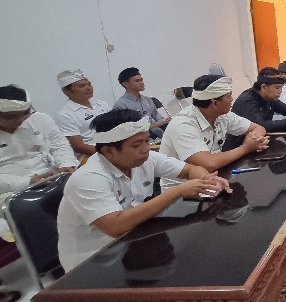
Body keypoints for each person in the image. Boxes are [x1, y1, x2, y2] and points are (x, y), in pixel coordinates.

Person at [57, 109, 232, 271]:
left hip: (134, 238)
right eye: (136, 145)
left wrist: (208, 180)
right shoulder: (88, 178)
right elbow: (115, 226)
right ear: (109, 151)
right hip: (95, 260)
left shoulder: (146, 158)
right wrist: (177, 191)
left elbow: (190, 169)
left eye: (147, 140)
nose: (146, 148)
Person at [159, 75, 268, 188]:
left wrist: (255, 139)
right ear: (215, 103)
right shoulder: (182, 125)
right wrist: (246, 148)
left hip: (214, 179)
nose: (232, 99)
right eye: (229, 96)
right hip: (182, 190)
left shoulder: (222, 115)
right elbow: (209, 164)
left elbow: (258, 128)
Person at [1, 85, 78, 241]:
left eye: (24, 115)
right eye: (11, 117)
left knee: (83, 187)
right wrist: (29, 181)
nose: (19, 122)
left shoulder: (40, 119)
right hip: (9, 190)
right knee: (29, 208)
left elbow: (59, 145)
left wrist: (66, 164)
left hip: (49, 175)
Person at [230, 67, 286, 140]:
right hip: (239, 146)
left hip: (259, 142)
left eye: (281, 88)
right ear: (264, 87)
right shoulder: (248, 100)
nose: (280, 92)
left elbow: (284, 108)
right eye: (277, 88)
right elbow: (260, 125)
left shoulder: (268, 97)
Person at [56, 69, 111, 162]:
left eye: (89, 84)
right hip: (90, 156)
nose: (88, 88)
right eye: (81, 86)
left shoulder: (102, 104)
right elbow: (78, 147)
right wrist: (108, 153)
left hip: (114, 148)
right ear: (66, 91)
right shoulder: (65, 115)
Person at [113, 67, 171, 139]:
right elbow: (128, 130)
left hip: (159, 135)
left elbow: (158, 118)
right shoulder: (120, 105)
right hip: (140, 140)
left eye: (141, 80)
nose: (141, 83)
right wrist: (159, 124)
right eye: (137, 81)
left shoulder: (147, 100)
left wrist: (166, 122)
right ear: (125, 84)